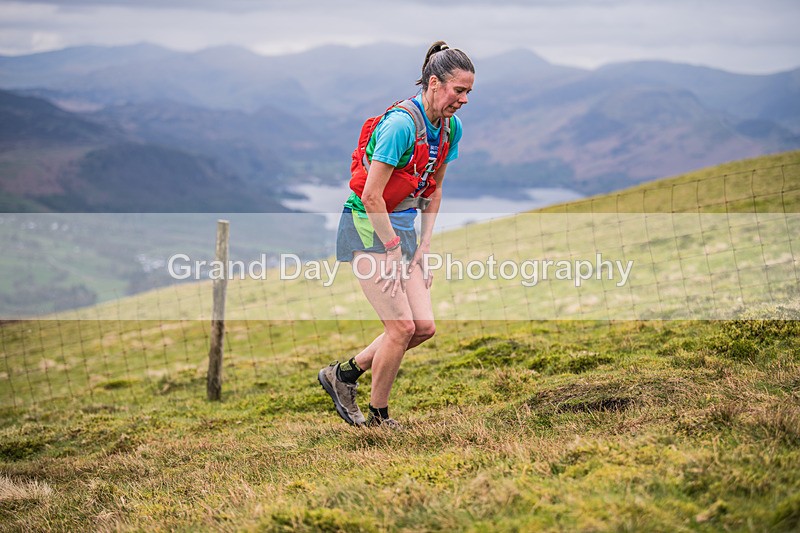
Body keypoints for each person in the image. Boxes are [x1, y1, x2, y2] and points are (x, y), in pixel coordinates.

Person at [318, 40, 475, 428]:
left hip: (402, 231)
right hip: (368, 228)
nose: (465, 99)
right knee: (400, 327)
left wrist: (423, 246)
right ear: (435, 83)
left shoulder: (450, 127)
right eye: (459, 90)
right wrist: (391, 252)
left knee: (423, 327)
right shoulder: (401, 125)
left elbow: (434, 190)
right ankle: (379, 419)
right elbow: (371, 196)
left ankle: (344, 375)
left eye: (469, 92)